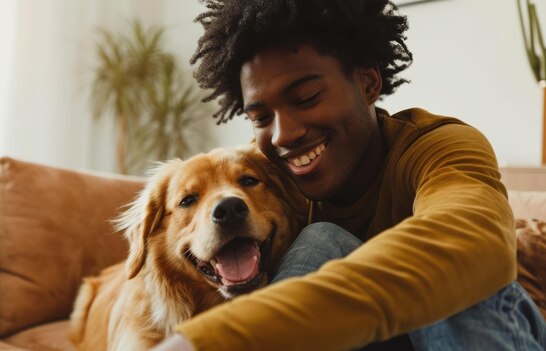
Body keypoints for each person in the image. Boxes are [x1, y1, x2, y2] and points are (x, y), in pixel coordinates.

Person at [152, 0, 546, 350]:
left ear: (368, 82)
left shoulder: (440, 147)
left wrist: (214, 340)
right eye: (261, 118)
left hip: (484, 326)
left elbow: (471, 240)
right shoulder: (268, 179)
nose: (283, 134)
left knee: (455, 276)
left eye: (306, 98)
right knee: (319, 239)